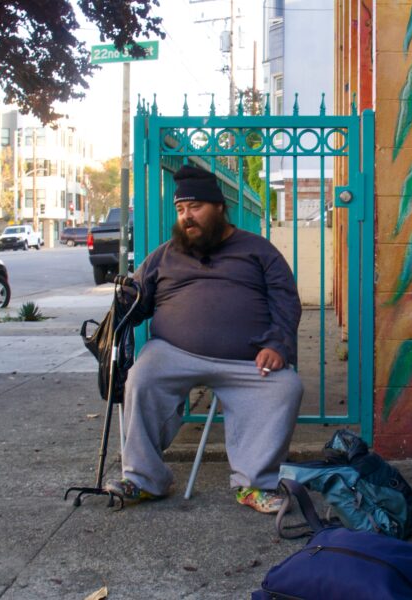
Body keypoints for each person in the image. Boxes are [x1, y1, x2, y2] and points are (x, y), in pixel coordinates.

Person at [104, 164, 303, 514]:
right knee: (142, 376)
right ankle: (144, 479)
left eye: (195, 207)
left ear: (219, 207)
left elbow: (285, 302)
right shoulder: (164, 255)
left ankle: (255, 484)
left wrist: (277, 345)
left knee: (285, 386)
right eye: (181, 210)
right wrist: (124, 300)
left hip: (247, 358)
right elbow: (138, 303)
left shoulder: (258, 250)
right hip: (172, 352)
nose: (187, 217)